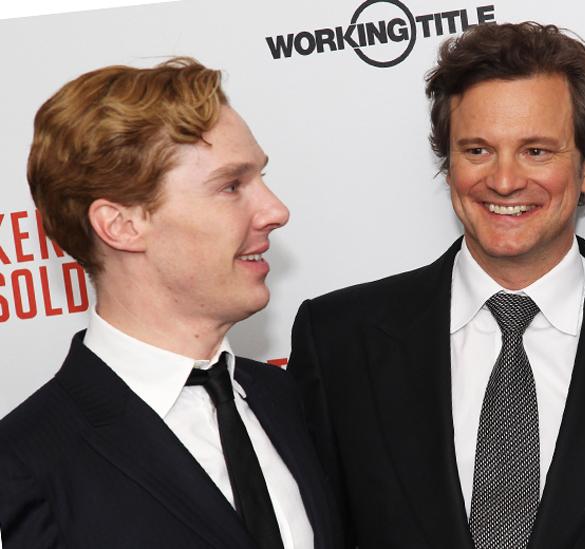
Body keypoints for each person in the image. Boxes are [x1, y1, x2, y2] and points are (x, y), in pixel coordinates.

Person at [288, 21, 585, 549]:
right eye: (477, 151)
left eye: (536, 151)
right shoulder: (338, 342)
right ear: (448, 166)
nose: (505, 180)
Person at [0, 58, 339, 549]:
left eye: (260, 178)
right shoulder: (23, 466)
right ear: (122, 225)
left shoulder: (286, 400)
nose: (276, 211)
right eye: (230, 186)